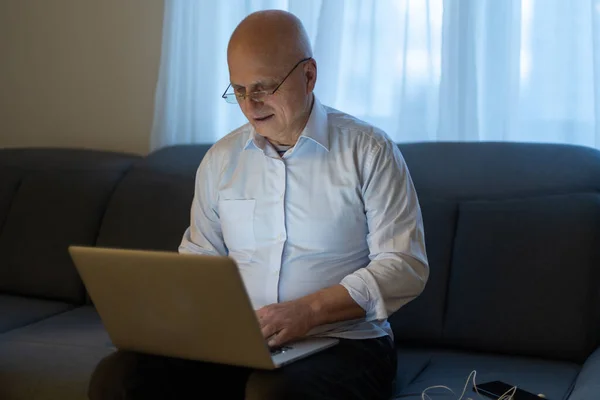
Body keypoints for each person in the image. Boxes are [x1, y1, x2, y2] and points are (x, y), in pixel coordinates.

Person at [88, 9, 429, 400]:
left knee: (274, 393)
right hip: (235, 343)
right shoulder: (221, 160)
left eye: (264, 88)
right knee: (119, 376)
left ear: (309, 76)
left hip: (344, 342)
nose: (250, 105)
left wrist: (309, 311)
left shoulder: (369, 151)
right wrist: (169, 318)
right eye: (238, 90)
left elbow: (405, 266)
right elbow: (201, 258)